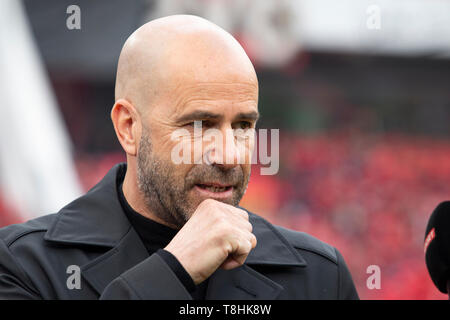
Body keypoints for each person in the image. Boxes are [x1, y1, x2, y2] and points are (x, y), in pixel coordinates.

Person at [0, 15, 358, 299]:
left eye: (244, 125)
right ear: (128, 127)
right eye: (200, 125)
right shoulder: (24, 265)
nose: (229, 155)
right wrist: (173, 270)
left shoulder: (317, 275)